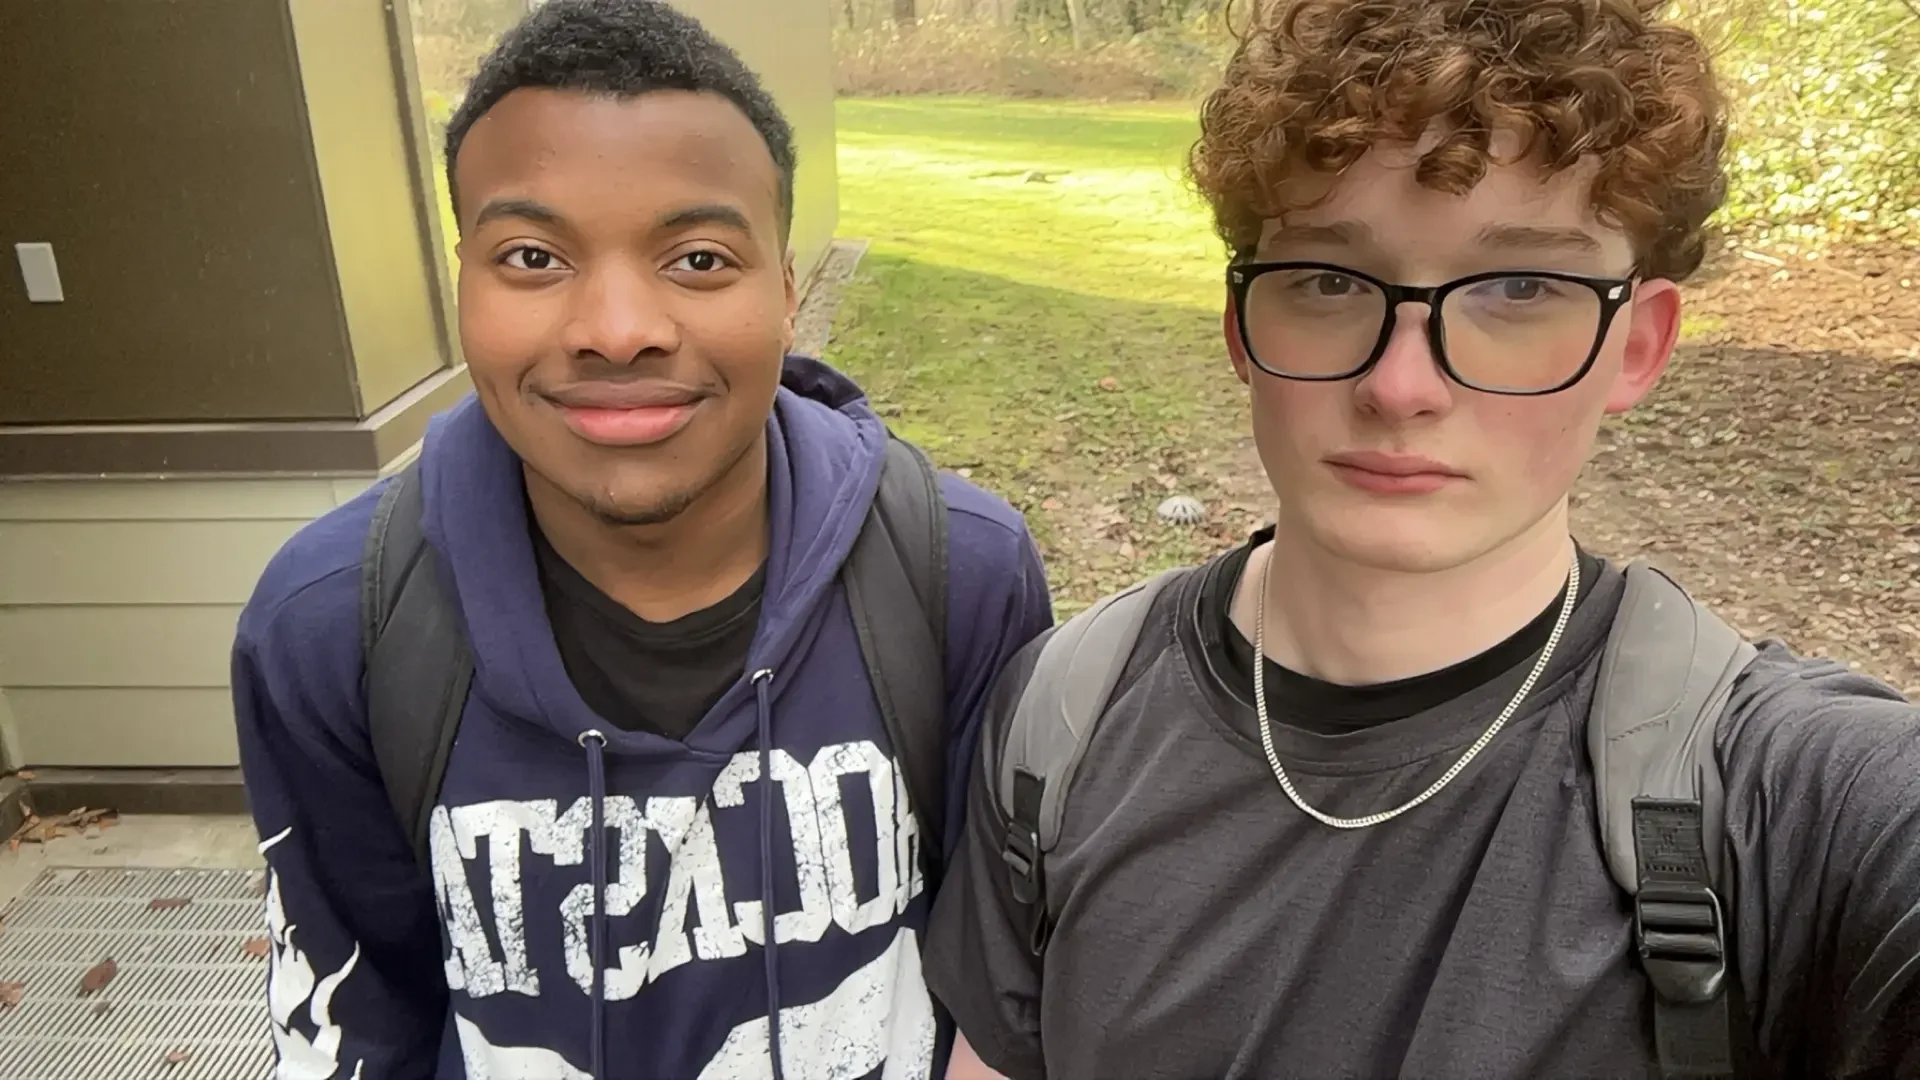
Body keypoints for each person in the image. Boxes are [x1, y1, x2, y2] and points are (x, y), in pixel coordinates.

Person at [925, 1, 1920, 1077]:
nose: (1401, 386)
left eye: (1521, 288)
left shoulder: (1791, 802)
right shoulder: (1063, 718)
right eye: (1326, 281)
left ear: (1638, 347)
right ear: (1241, 329)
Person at [230, 2, 1052, 1077]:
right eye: (532, 255)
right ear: (461, 285)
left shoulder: (961, 572)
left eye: (700, 259)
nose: (619, 329)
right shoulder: (332, 623)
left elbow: (1001, 989)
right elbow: (355, 1021)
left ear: (788, 291)